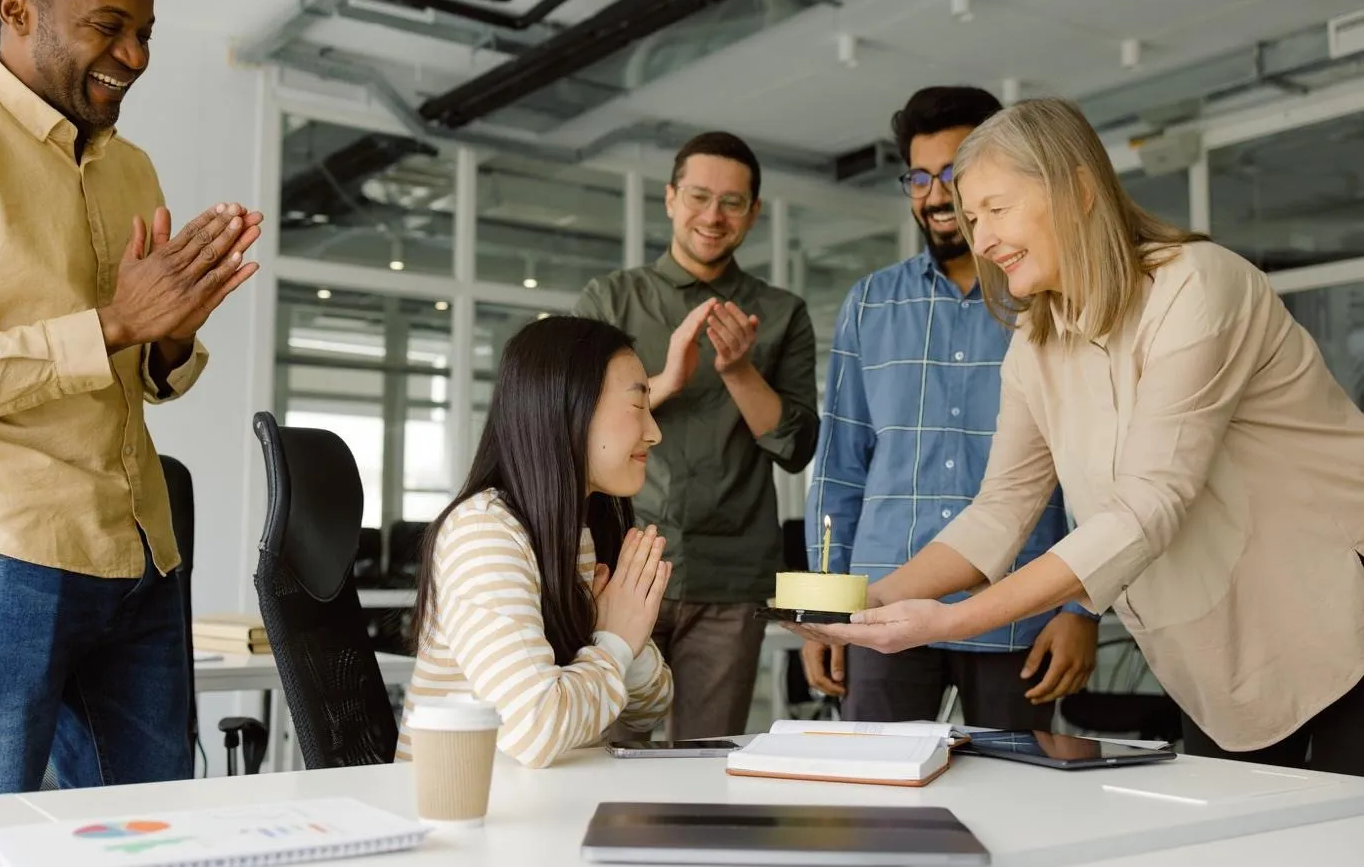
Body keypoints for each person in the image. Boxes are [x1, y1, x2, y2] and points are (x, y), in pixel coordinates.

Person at [792, 97, 1364, 776]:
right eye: (974, 219)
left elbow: (1150, 504)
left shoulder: (1196, 288)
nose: (983, 237)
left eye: (997, 209)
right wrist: (879, 596)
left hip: (1338, 602)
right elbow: (999, 509)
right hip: (1220, 649)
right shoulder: (1038, 339)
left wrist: (951, 620)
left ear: (1078, 188)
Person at [0, 0, 262, 797]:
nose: (137, 56)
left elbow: (145, 372)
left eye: (145, 33)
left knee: (155, 826)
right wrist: (112, 325)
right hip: (1, 556)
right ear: (15, 9)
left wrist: (172, 333)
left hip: (140, 553)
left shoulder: (134, 169)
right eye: (108, 27)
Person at [803, 87, 1098, 729]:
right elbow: (840, 468)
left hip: (1019, 608)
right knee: (875, 807)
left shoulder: (1044, 295)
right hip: (881, 607)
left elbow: (1086, 465)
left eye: (953, 175)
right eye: (919, 176)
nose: (935, 195)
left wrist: (1079, 608)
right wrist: (823, 610)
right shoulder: (871, 304)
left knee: (1015, 807)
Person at [575, 132, 819, 740]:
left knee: (706, 764)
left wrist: (738, 370)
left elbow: (796, 447)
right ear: (670, 199)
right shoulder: (612, 299)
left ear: (753, 213)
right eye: (699, 196)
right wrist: (665, 381)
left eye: (732, 202)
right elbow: (571, 421)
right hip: (618, 564)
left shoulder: (782, 312)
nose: (713, 216)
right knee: (604, 753)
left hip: (729, 579)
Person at [398, 316, 674, 769]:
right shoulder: (485, 533)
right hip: (471, 815)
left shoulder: (582, 528)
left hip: (554, 806)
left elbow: (648, 709)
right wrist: (615, 641)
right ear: (569, 407)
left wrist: (628, 639)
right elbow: (535, 729)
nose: (654, 431)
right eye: (637, 405)